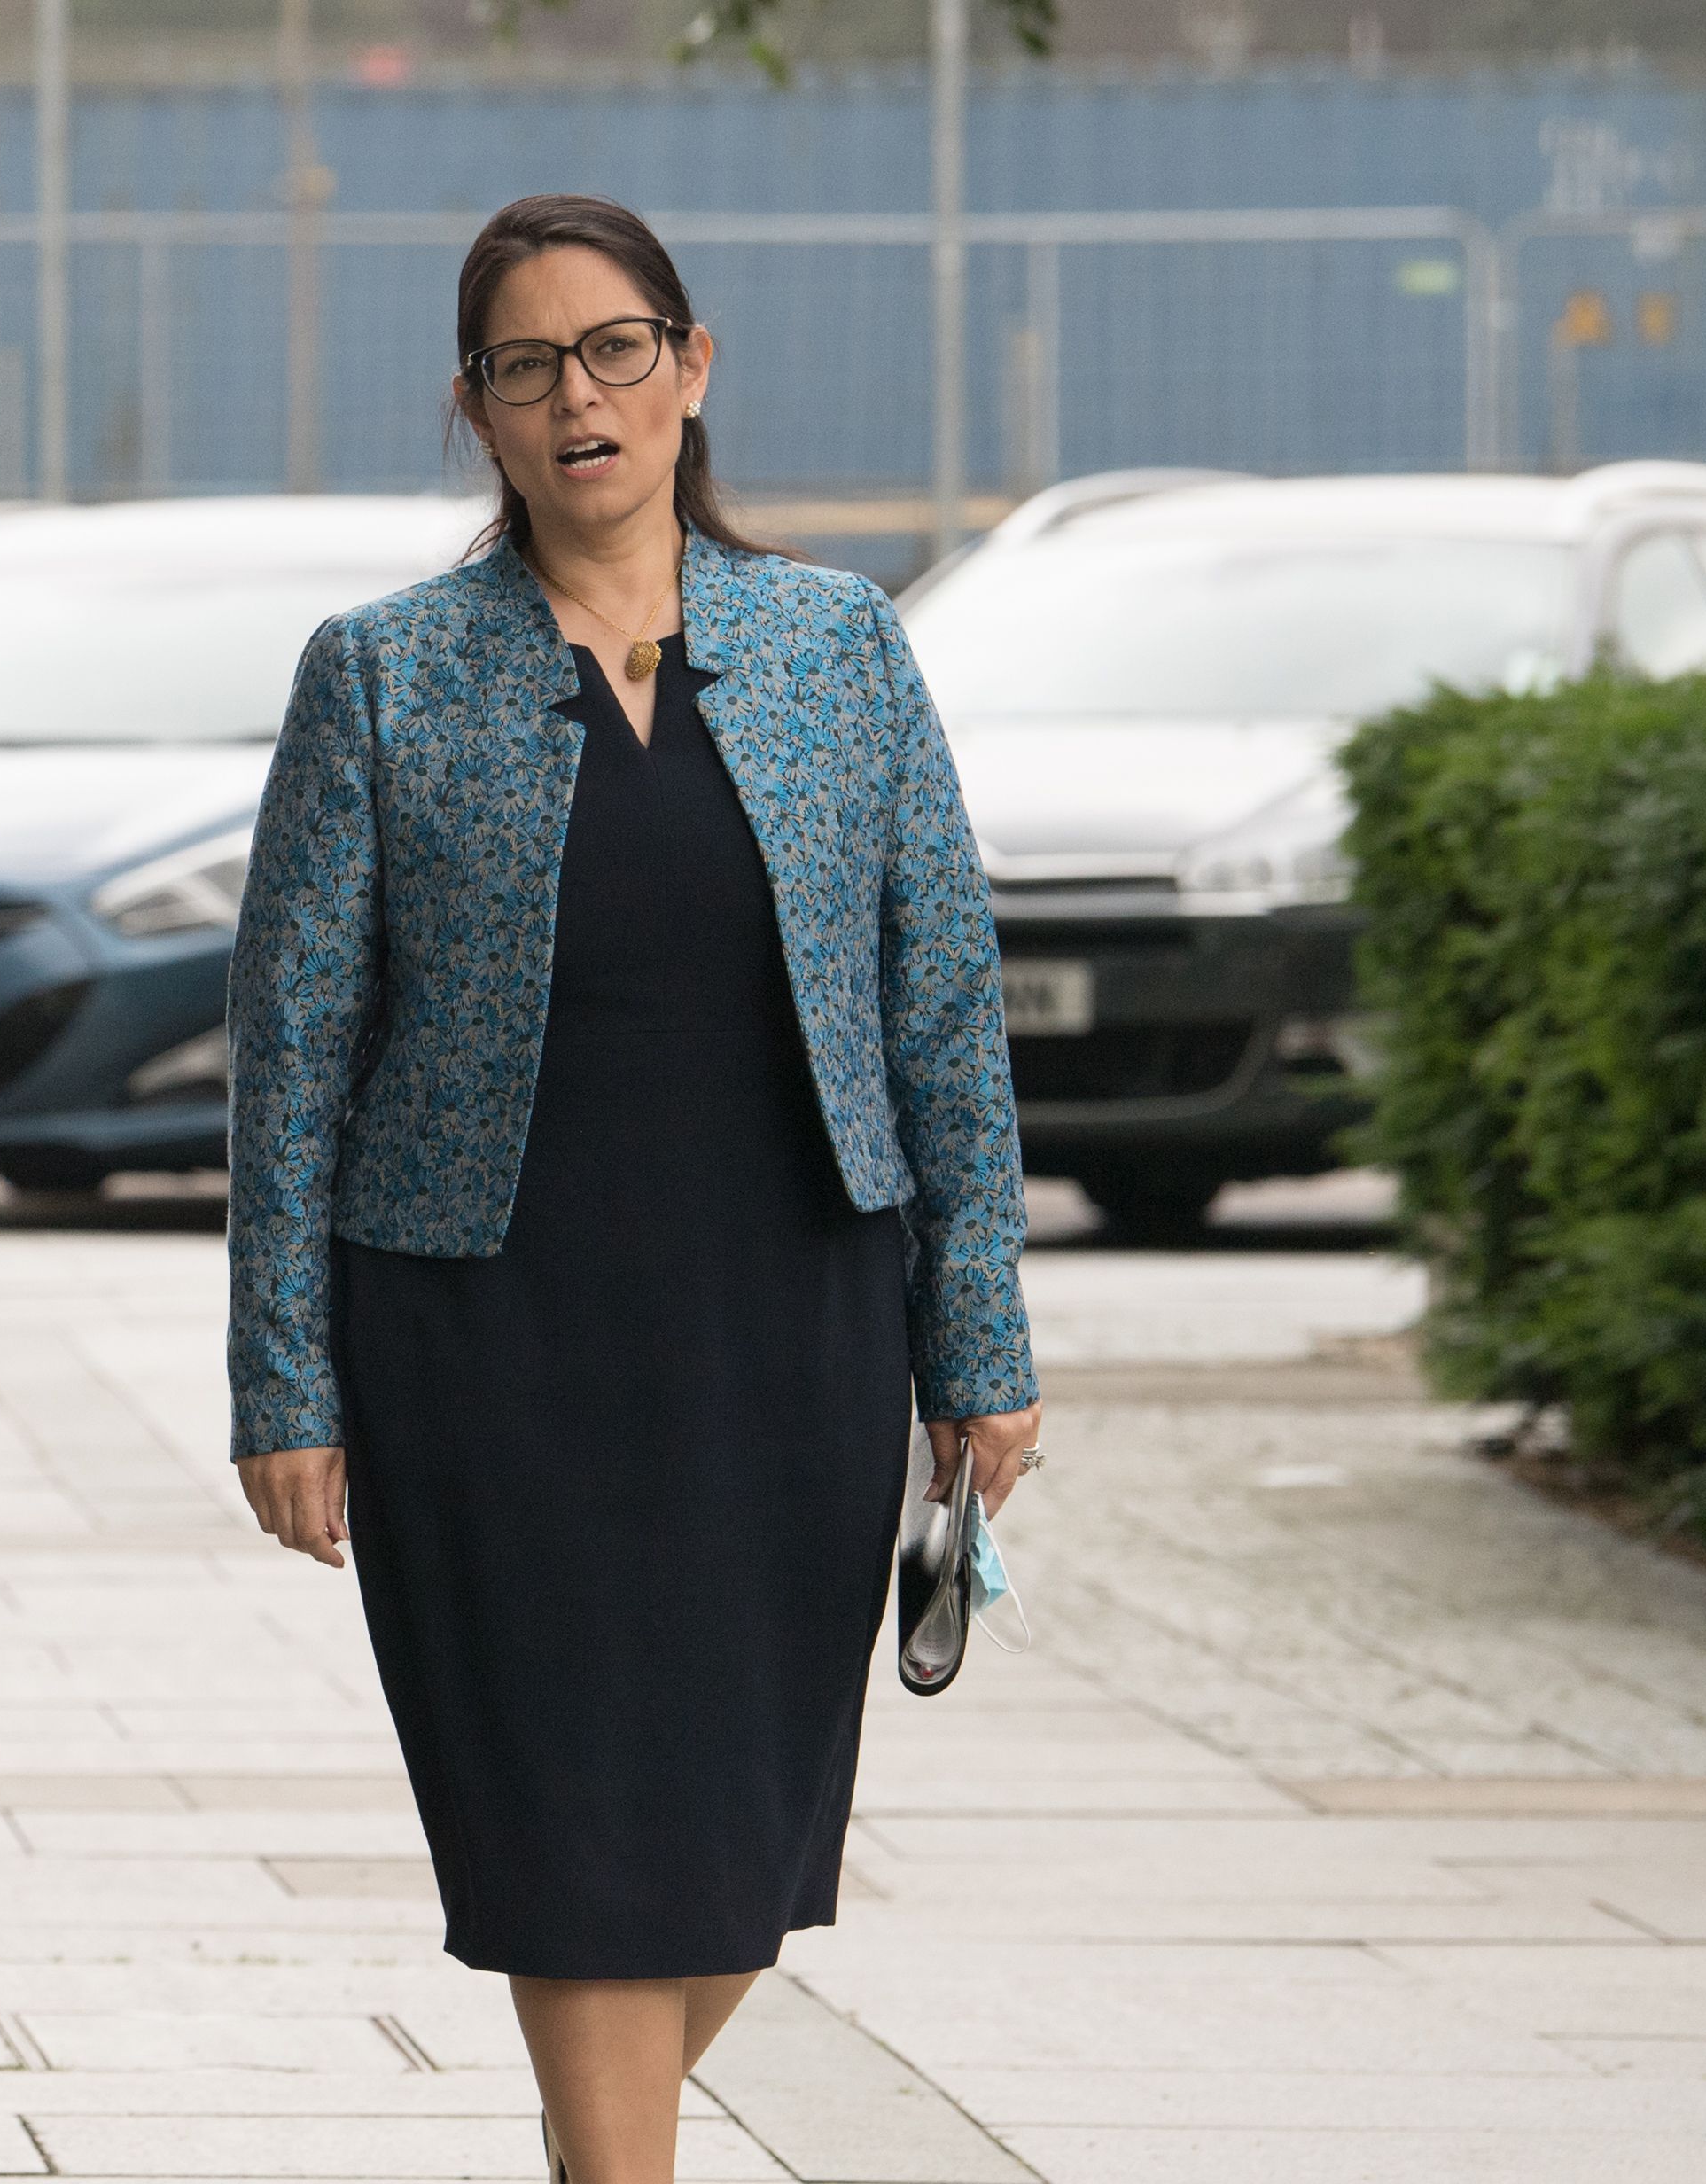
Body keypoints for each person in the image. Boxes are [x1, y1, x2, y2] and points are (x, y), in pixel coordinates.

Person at [222, 193, 1046, 2184]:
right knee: (570, 1824)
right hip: (490, 1342)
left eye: (613, 348)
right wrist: (286, 1385)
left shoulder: (840, 645)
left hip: (792, 1329)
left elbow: (943, 999)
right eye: (527, 365)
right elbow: (291, 1056)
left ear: (691, 365)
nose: (576, 395)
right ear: (476, 412)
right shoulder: (384, 674)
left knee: (742, 1837)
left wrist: (982, 1333)